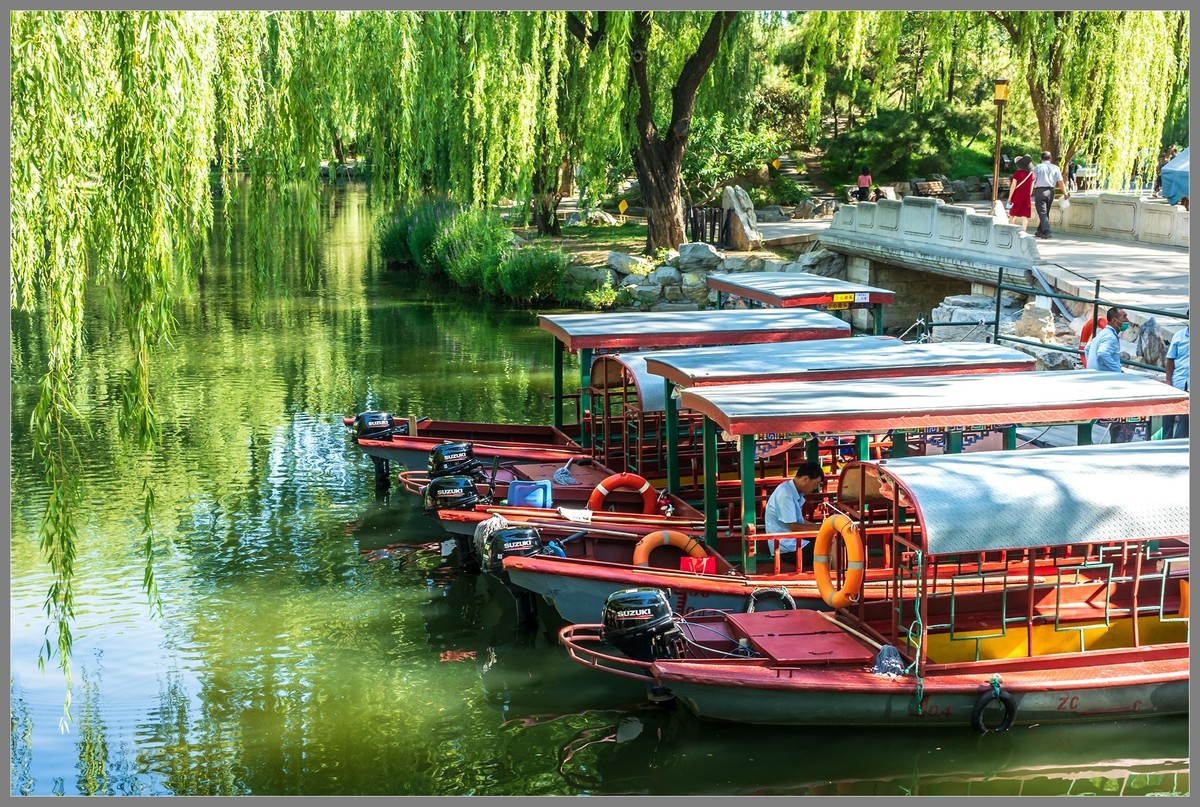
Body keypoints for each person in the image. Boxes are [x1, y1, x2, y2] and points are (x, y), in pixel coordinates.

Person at [1084, 307, 1136, 442]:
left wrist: (1092, 366)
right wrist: (1117, 369)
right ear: (1115, 320)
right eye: (1124, 317)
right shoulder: (1110, 337)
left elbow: (1088, 348)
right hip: (1106, 383)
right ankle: (1119, 442)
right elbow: (1102, 353)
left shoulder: (1103, 333)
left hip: (1097, 380)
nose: (1127, 320)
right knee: (1124, 415)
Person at [763, 462, 824, 569]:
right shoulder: (785, 494)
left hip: (792, 541)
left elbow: (800, 522)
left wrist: (822, 526)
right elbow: (795, 527)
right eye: (815, 483)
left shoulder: (791, 490)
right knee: (828, 542)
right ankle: (832, 573)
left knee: (825, 537)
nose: (815, 488)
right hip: (786, 548)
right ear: (805, 479)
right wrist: (824, 528)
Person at [1031, 151, 1069, 239]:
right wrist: (1065, 193)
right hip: (1051, 191)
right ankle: (1040, 230)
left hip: (1040, 191)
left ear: (1041, 159)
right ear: (1050, 158)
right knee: (1045, 211)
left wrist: (1030, 191)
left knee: (1042, 211)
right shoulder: (1055, 168)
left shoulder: (1037, 167)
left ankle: (1047, 231)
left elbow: (1033, 180)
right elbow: (1060, 181)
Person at [1163, 312, 1189, 439]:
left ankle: (1178, 442)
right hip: (1178, 380)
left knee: (1187, 417)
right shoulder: (1179, 336)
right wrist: (1168, 381)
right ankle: (1165, 441)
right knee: (1169, 413)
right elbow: (1170, 359)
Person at [1006, 155, 1035, 229]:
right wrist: (1028, 195)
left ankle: (1011, 229)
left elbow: (1013, 186)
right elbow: (1031, 188)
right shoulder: (1031, 174)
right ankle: (1024, 231)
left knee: (1012, 214)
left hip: (1017, 196)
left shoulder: (1017, 173)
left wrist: (1010, 197)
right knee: (1024, 216)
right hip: (1026, 197)